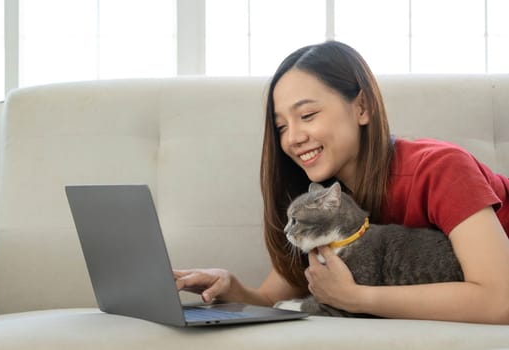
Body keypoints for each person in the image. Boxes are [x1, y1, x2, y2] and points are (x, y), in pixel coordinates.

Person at [174, 41, 509, 324]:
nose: (293, 138)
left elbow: (500, 300)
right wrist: (229, 287)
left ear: (361, 107)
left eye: (306, 116)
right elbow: (271, 299)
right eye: (281, 127)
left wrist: (356, 298)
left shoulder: (440, 168)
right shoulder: (328, 201)